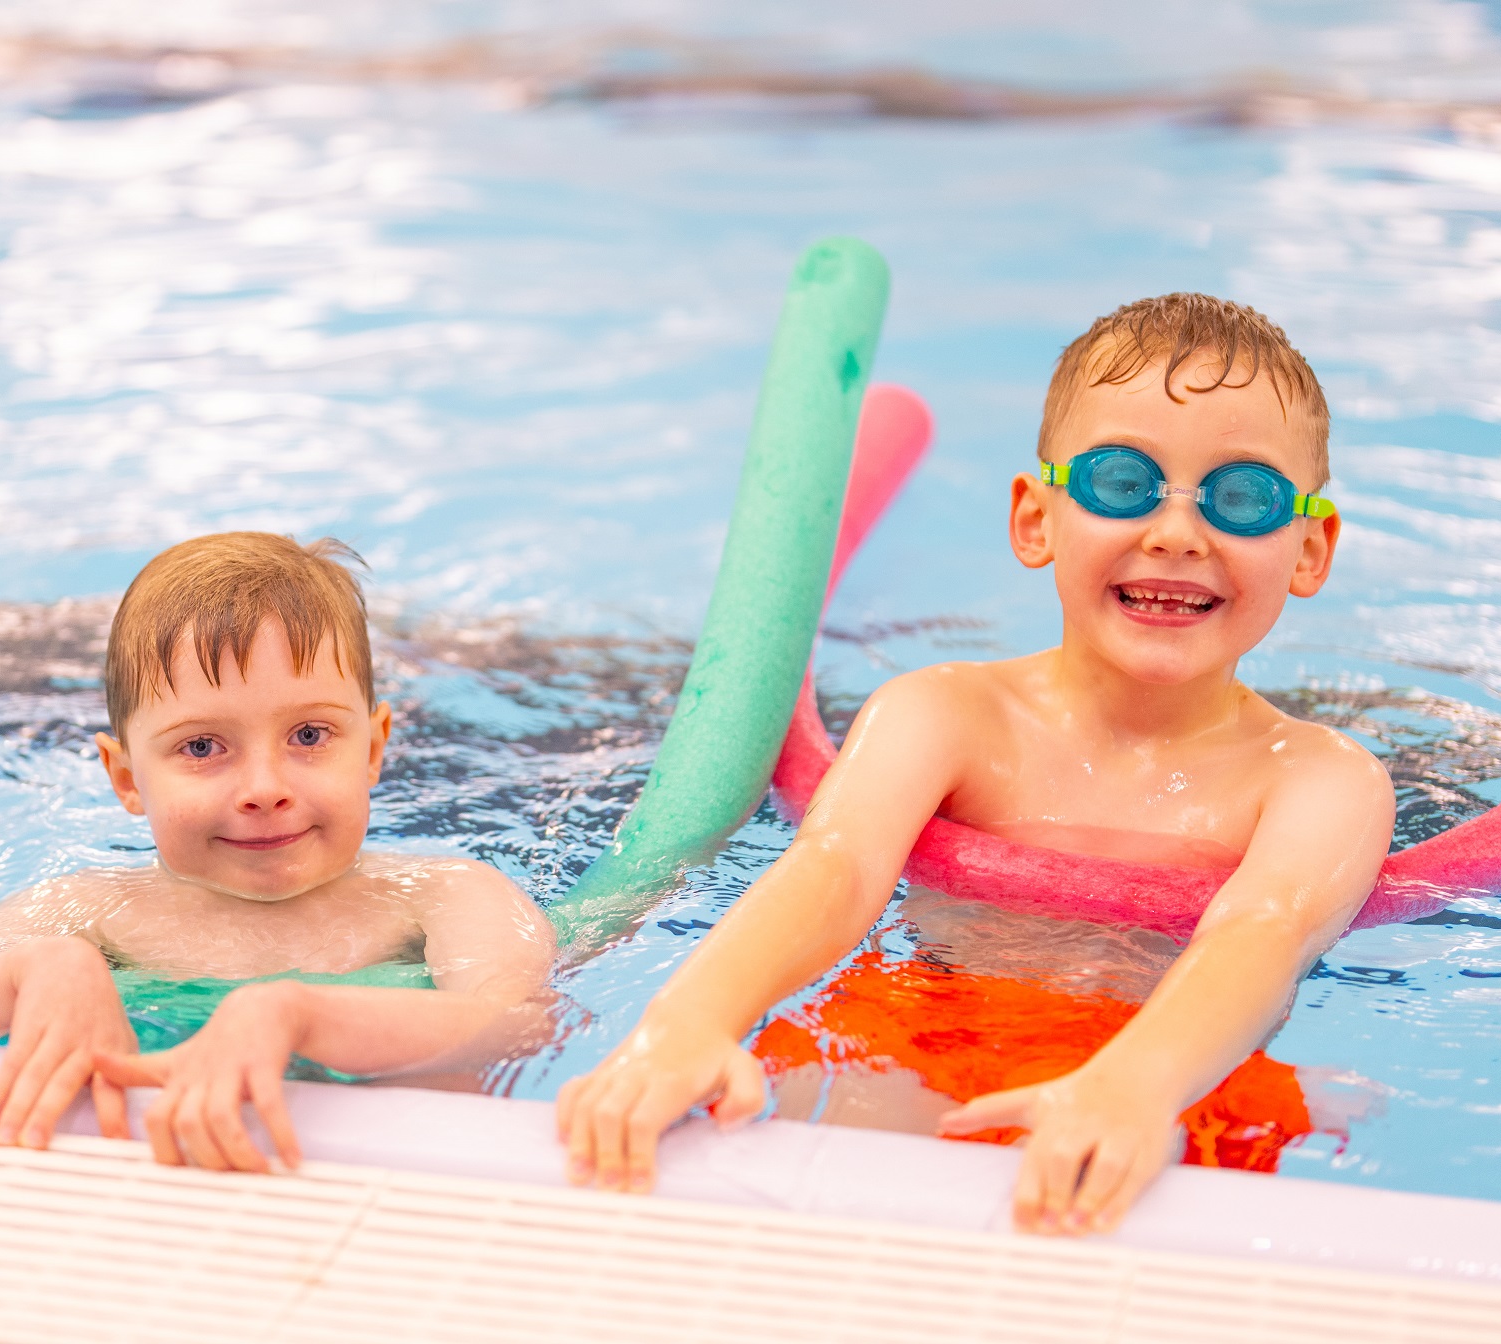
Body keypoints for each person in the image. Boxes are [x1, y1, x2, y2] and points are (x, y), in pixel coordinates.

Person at [556, 293, 1395, 1236]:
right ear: (1035, 519)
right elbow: (834, 867)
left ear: (1310, 547)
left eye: (1244, 498)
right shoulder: (945, 715)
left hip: (1180, 1062)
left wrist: (1128, 1086)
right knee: (776, 1201)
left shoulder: (1320, 780)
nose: (1175, 533)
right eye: (1123, 482)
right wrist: (687, 1023)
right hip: (926, 1027)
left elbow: (1262, 935)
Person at [0, 533, 554, 1170]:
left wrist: (299, 1016)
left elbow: (521, 1023)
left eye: (308, 736)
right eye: (202, 747)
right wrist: (31, 972)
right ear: (126, 778)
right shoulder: (89, 913)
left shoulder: (444, 897)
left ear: (372, 748)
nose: (263, 788)